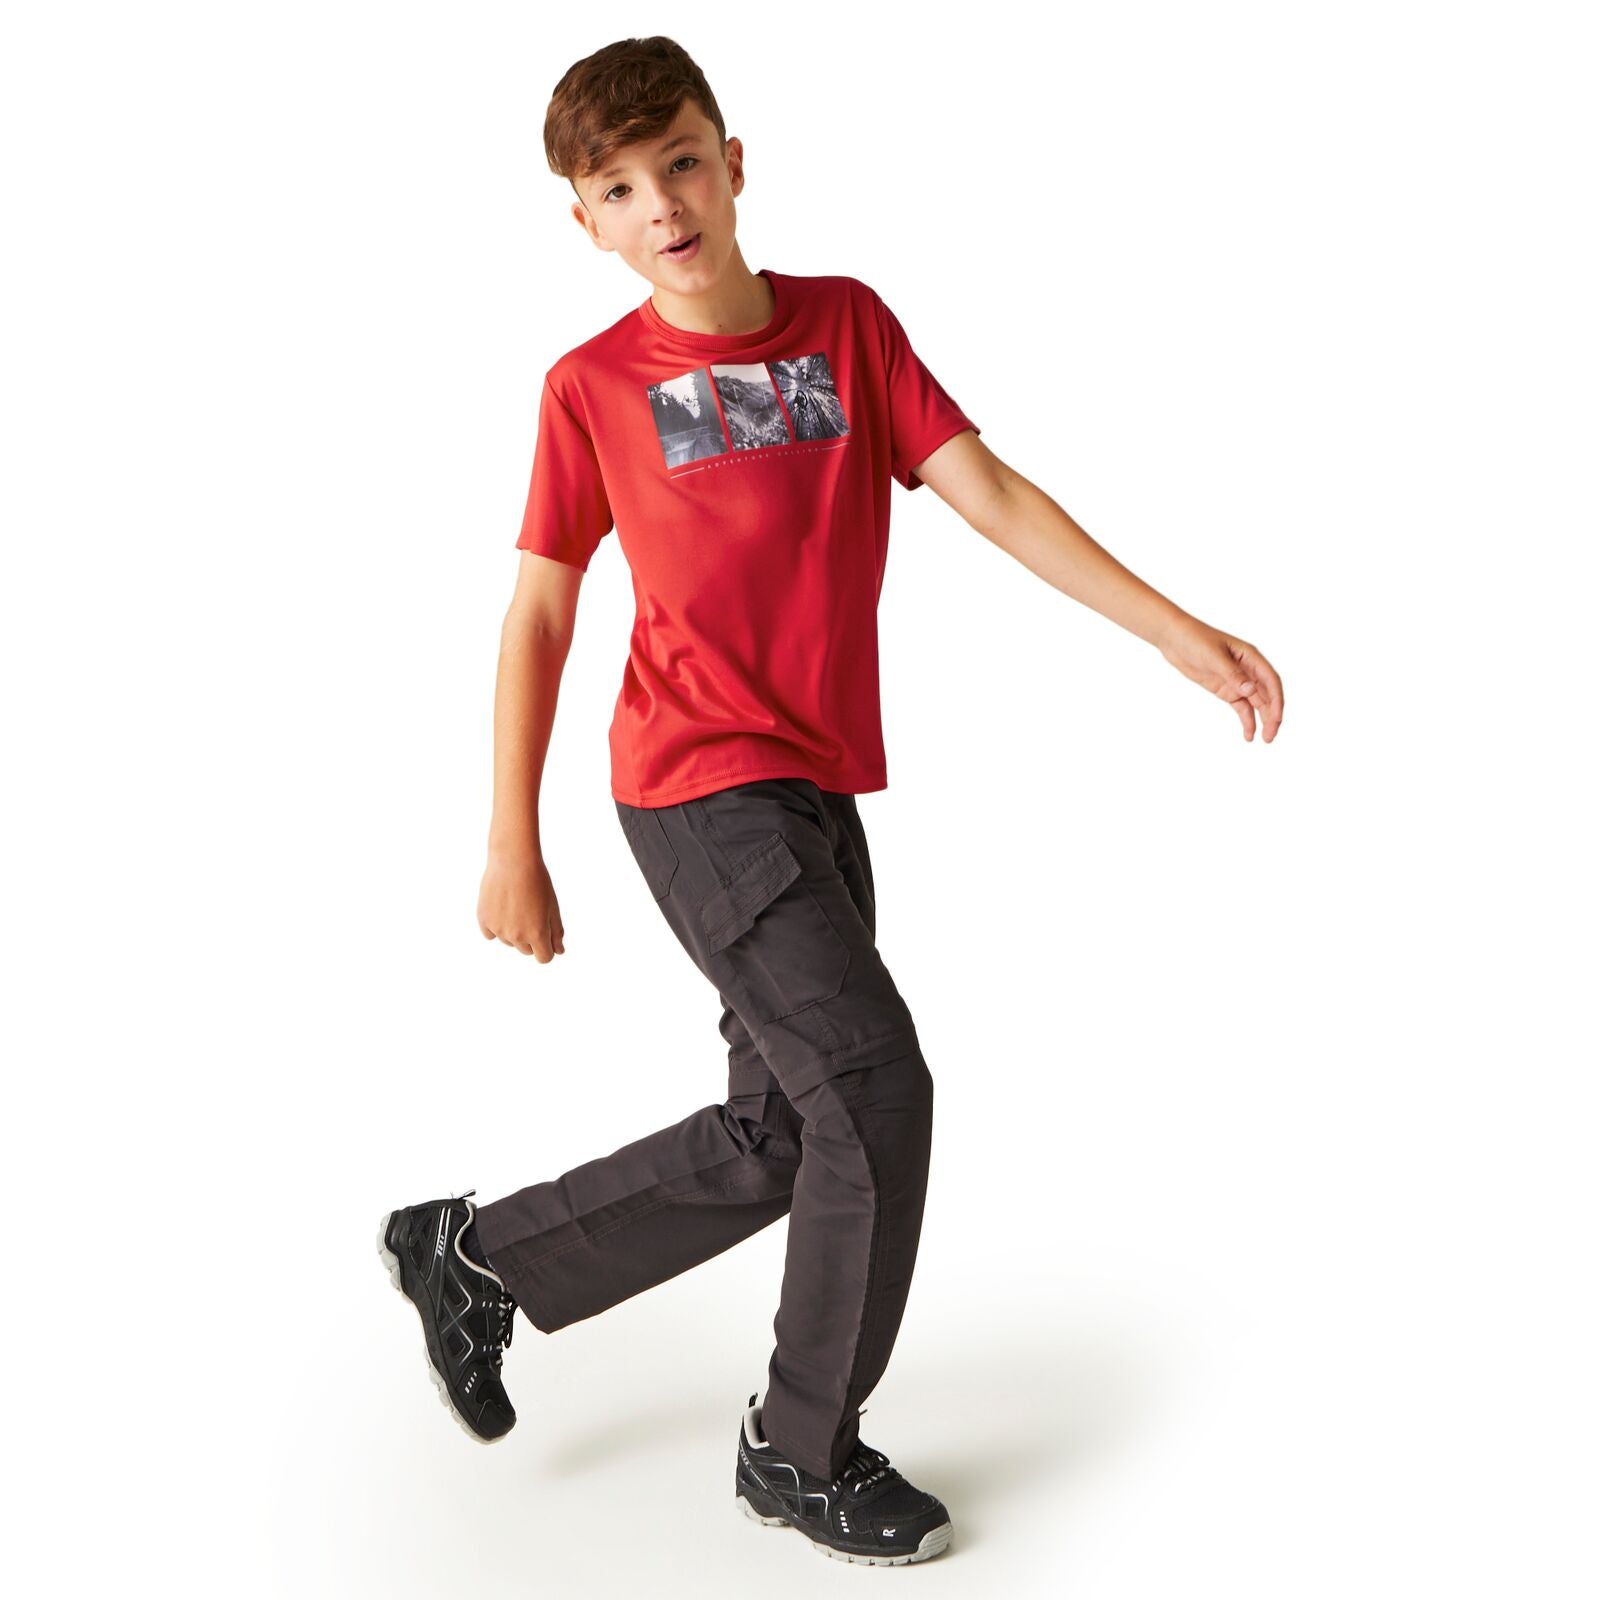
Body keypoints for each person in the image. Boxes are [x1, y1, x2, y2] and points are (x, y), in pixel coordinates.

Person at [376, 35, 1284, 1569]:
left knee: (787, 1128)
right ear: (586, 223)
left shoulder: (847, 328)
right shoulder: (589, 389)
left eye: (680, 162)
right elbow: (538, 611)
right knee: (872, 1091)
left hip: (808, 789)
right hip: (693, 788)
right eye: (619, 189)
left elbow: (989, 490)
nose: (663, 204)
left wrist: (1175, 633)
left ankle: (479, 1259)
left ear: (733, 162)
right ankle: (800, 1449)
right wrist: (508, 837)